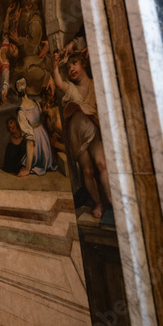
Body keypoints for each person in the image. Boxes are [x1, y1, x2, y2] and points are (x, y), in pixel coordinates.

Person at [53, 50, 110, 218]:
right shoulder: (72, 89)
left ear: (83, 64)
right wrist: (55, 67)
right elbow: (59, 84)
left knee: (102, 164)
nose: (71, 68)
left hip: (94, 135)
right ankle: (98, 203)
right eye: (68, 67)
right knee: (87, 171)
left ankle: (113, 201)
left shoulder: (94, 85)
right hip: (77, 137)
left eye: (74, 64)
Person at [15, 78, 57, 176]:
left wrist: (27, 170)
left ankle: (30, 166)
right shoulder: (36, 103)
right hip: (45, 143)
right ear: (27, 89)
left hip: (36, 148)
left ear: (17, 93)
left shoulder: (21, 112)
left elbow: (30, 141)